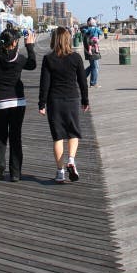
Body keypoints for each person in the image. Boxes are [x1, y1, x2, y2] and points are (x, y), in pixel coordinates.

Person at [0, 29, 37, 182]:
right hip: (17, 102)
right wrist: (30, 46)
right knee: (15, 136)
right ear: (14, 42)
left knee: (0, 135)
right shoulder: (19, 59)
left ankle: (0, 163)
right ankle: (15, 173)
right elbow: (32, 65)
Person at [38, 26, 89, 184]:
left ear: (54, 39)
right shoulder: (76, 58)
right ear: (68, 39)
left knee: (58, 137)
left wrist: (42, 103)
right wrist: (85, 100)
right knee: (73, 133)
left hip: (55, 101)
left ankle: (60, 172)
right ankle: (71, 160)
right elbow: (82, 82)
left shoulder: (48, 59)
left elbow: (44, 84)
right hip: (72, 99)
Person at [82, 17, 103, 87]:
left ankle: (81, 77)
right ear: (89, 23)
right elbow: (89, 42)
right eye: (93, 22)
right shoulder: (88, 30)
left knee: (92, 66)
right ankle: (93, 83)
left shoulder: (88, 30)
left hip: (92, 51)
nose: (95, 23)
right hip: (92, 52)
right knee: (95, 67)